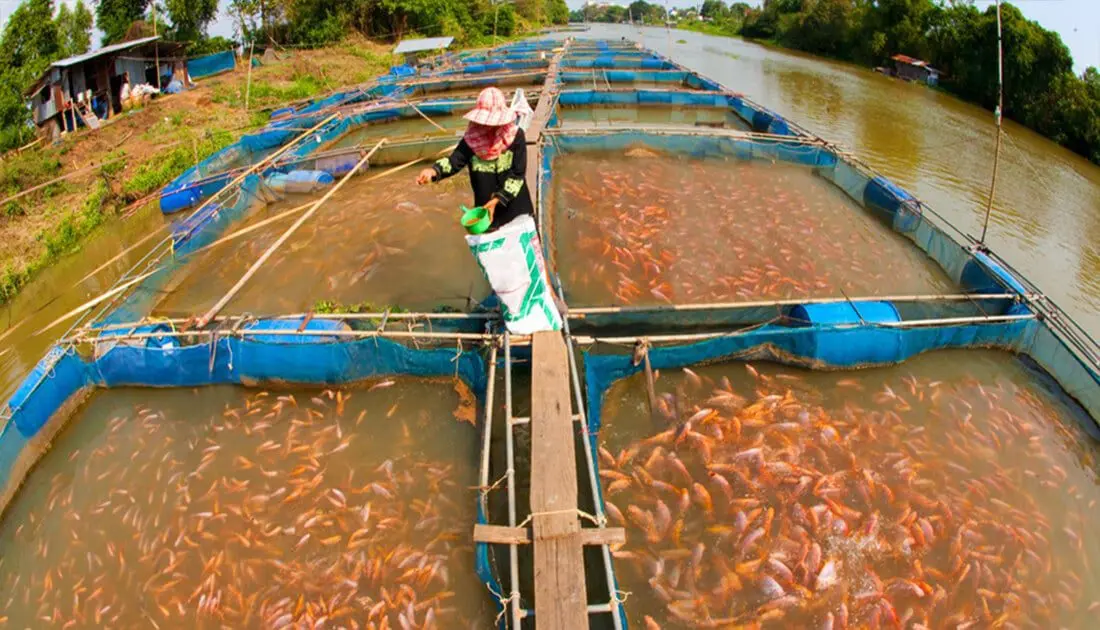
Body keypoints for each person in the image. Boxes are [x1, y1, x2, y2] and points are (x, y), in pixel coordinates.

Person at [416, 87, 533, 232]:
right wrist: (433, 171)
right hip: (485, 214)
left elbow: (518, 174)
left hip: (516, 208)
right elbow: (454, 162)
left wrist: (496, 200)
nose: (489, 126)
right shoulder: (471, 140)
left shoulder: (515, 136)